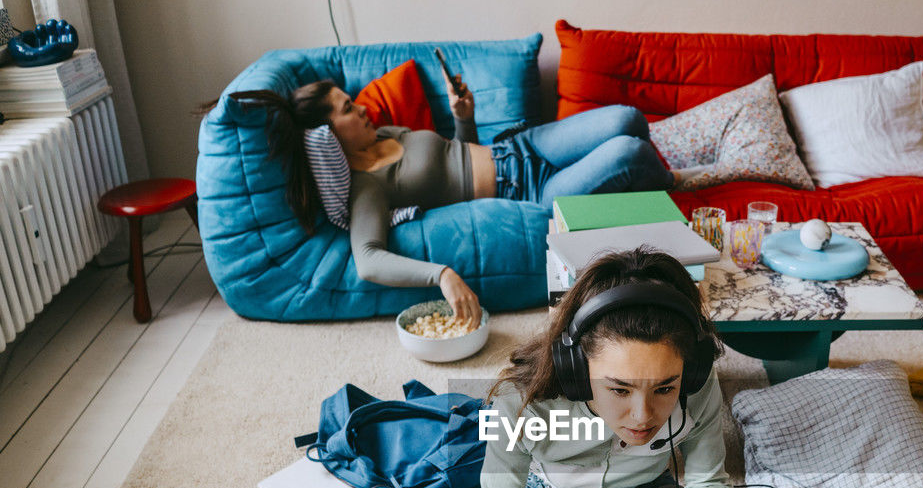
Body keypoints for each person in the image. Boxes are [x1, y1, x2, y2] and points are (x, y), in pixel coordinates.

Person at [409, 248, 780, 488]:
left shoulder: (697, 384)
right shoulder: (519, 399)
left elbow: (708, 483)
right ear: (577, 367)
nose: (642, 416)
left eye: (665, 389)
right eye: (619, 389)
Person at [224, 67, 674, 330]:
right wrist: (440, 274)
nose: (360, 107)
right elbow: (367, 258)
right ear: (327, 135)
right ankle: (676, 184)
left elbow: (456, 154)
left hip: (519, 147)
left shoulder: (383, 132)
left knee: (627, 119)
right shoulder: (367, 187)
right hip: (530, 192)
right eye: (346, 109)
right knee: (628, 152)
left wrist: (464, 119)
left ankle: (654, 175)